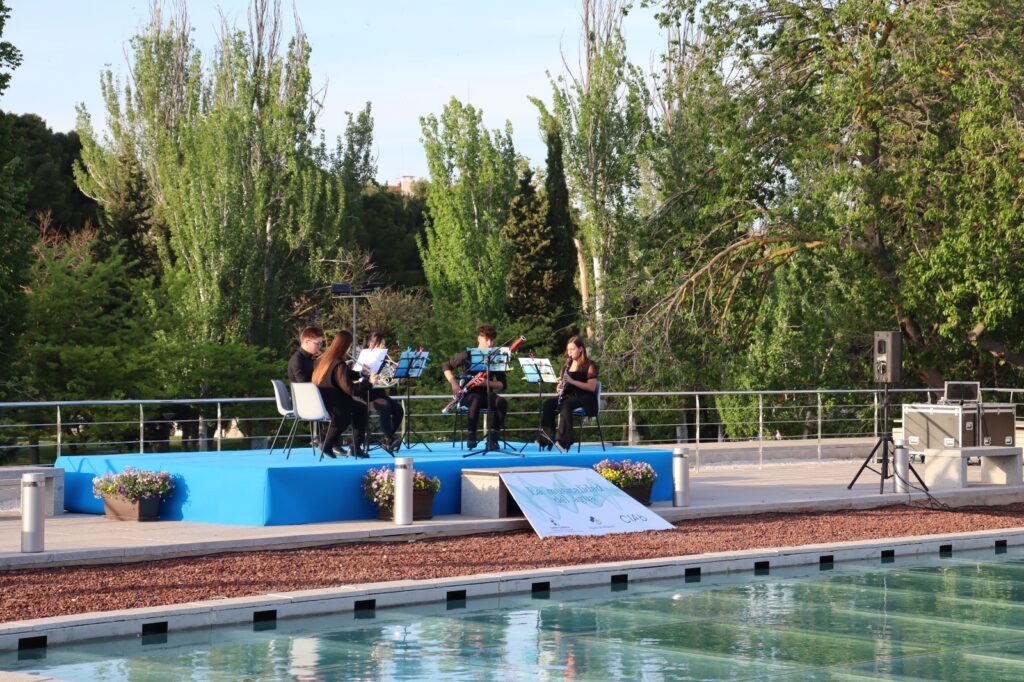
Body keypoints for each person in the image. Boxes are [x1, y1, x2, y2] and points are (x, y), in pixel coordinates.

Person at [442, 323, 508, 450]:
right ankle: (471, 435)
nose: (490, 344)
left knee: (502, 402)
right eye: (487, 339)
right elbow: (446, 366)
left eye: (492, 340)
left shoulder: (495, 358)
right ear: (479, 339)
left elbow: (502, 384)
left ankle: (493, 436)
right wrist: (454, 384)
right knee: (475, 399)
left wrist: (485, 383)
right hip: (468, 395)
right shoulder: (468, 355)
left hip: (486, 394)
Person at [311, 330, 369, 459]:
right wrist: (368, 382)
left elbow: (342, 375)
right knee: (361, 408)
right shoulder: (339, 364)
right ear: (345, 345)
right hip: (336, 405)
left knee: (352, 411)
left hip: (324, 402)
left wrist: (360, 374)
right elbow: (351, 390)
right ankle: (354, 447)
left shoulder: (322, 361)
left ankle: (327, 443)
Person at [538, 335, 598, 452]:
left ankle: (564, 440)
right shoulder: (566, 365)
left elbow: (591, 387)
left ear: (581, 349)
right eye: (568, 350)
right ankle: (547, 437)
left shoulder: (589, 365)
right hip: (568, 396)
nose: (570, 353)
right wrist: (559, 387)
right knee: (549, 404)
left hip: (584, 398)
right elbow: (564, 384)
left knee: (566, 405)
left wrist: (572, 381)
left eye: (573, 349)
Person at [359, 332, 405, 453]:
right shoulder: (364, 359)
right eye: (381, 345)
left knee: (399, 410)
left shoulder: (384, 360)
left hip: (380, 394)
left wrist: (398, 371)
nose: (384, 348)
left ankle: (387, 438)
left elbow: (389, 379)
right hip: (367, 395)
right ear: (372, 345)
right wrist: (371, 378)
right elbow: (359, 379)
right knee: (384, 406)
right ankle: (390, 438)